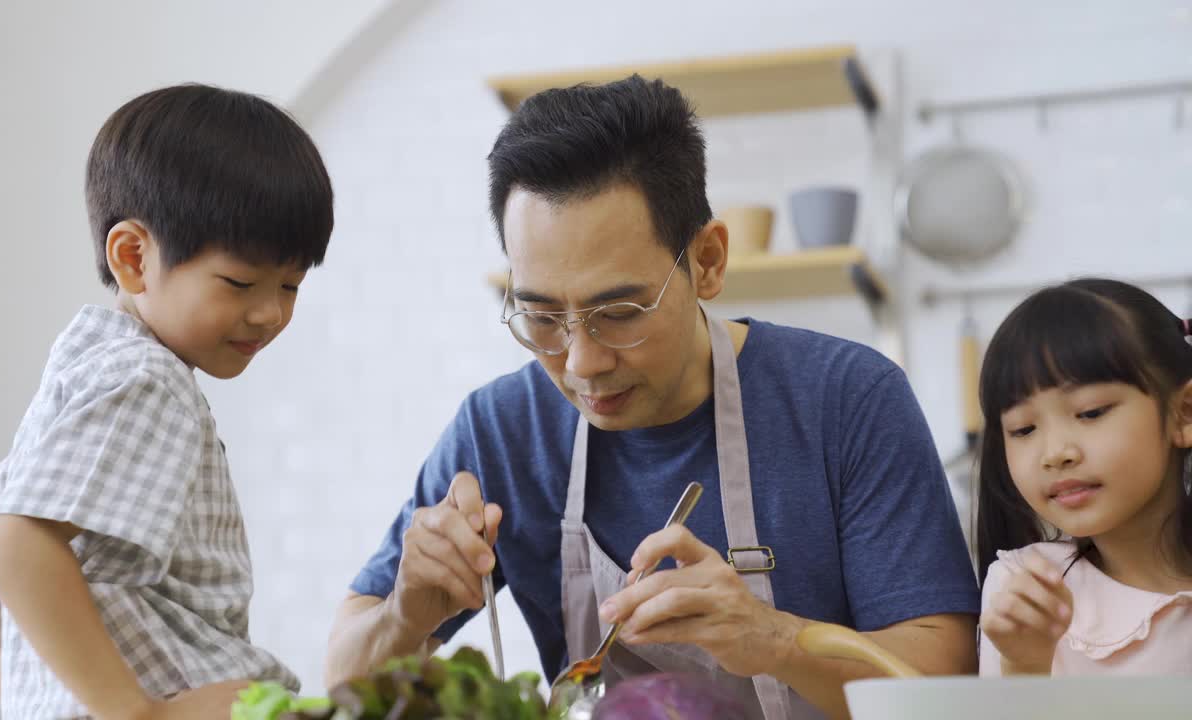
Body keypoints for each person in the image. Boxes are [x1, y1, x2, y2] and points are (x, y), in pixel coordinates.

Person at [326, 75, 978, 719]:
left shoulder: (845, 399)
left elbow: (940, 679)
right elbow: (342, 679)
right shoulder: (501, 433)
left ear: (708, 261)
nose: (581, 362)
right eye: (543, 317)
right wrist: (406, 611)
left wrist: (774, 640)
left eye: (621, 310)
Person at [0, 84, 334, 719]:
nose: (270, 312)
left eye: (291, 285)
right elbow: (10, 549)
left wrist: (42, 705)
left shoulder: (89, 375)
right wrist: (139, 713)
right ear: (134, 257)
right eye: (241, 282)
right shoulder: (146, 381)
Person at [976, 279, 1192, 676]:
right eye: (1023, 430)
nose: (1056, 453)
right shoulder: (1020, 590)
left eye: (1090, 413)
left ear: (1184, 413)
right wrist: (1023, 665)